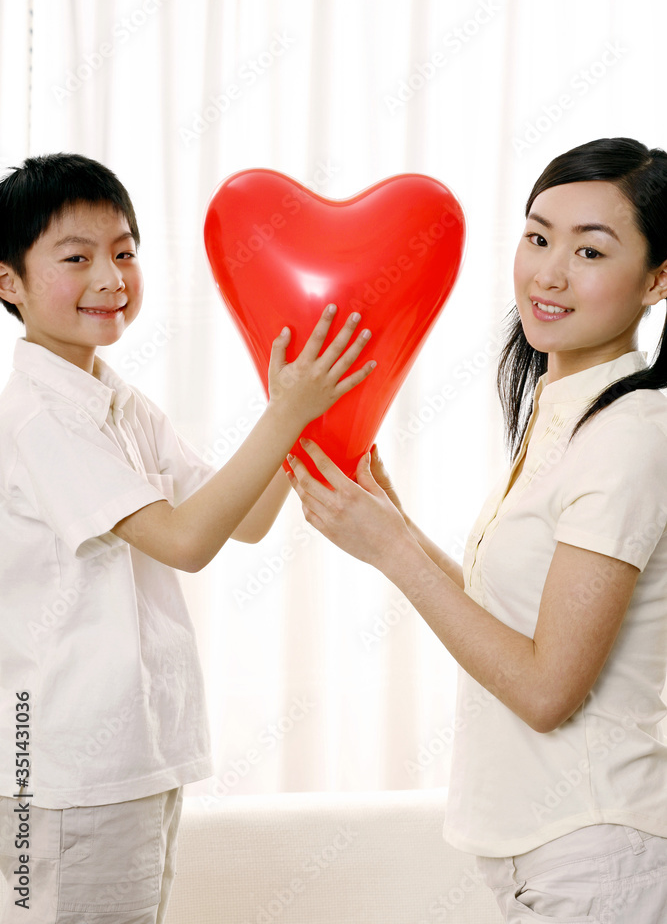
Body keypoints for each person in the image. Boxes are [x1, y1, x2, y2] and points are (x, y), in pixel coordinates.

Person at [288, 137, 667, 921]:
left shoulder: (632, 434)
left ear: (657, 279)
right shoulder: (567, 415)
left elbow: (544, 690)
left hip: (598, 846)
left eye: (590, 250)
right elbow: (516, 623)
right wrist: (396, 528)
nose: (548, 274)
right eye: (537, 237)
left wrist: (392, 552)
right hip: (544, 848)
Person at [0, 152, 375, 924]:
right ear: (9, 282)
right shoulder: (41, 416)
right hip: (71, 772)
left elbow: (241, 519)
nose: (111, 277)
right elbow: (184, 541)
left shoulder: (116, 400)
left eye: (125, 251)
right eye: (77, 257)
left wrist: (305, 418)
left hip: (133, 760)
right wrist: (286, 415)